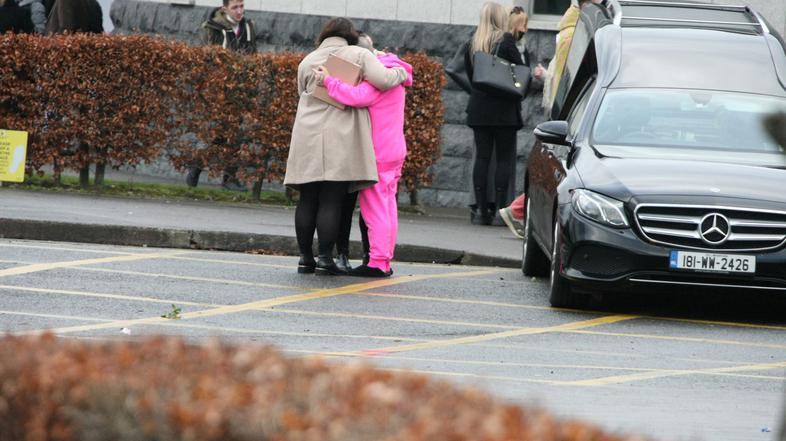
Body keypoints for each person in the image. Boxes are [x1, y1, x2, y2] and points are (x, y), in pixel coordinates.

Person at [283, 17, 407, 275]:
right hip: (340, 134)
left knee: (307, 197)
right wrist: (402, 72)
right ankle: (326, 258)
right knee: (331, 198)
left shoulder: (308, 59)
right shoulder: (358, 54)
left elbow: (300, 93)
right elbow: (383, 81)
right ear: (350, 35)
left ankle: (305, 258)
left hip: (307, 132)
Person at [499, 0, 599, 239]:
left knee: (559, 169)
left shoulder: (577, 28)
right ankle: (519, 211)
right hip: (572, 111)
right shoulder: (577, 32)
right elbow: (568, 76)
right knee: (559, 170)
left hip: (571, 110)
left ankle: (520, 211)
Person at [319, 31, 413, 277]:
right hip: (395, 149)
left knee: (375, 210)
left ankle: (378, 262)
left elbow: (357, 97)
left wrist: (329, 81)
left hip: (378, 152)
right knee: (389, 206)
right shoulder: (394, 72)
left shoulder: (377, 79)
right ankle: (385, 258)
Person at [464, 2, 527, 226]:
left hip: (479, 108)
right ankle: (501, 211)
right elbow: (521, 74)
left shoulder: (473, 42)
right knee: (502, 159)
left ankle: (481, 212)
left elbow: (471, 76)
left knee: (481, 158)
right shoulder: (507, 41)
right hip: (504, 110)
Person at [186, 0, 257, 191]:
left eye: (242, 6)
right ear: (225, 9)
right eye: (235, 7)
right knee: (216, 135)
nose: (240, 11)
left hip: (240, 89)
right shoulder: (213, 28)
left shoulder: (248, 27)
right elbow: (206, 58)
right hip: (219, 90)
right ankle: (195, 168)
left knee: (236, 136)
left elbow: (253, 56)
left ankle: (230, 177)